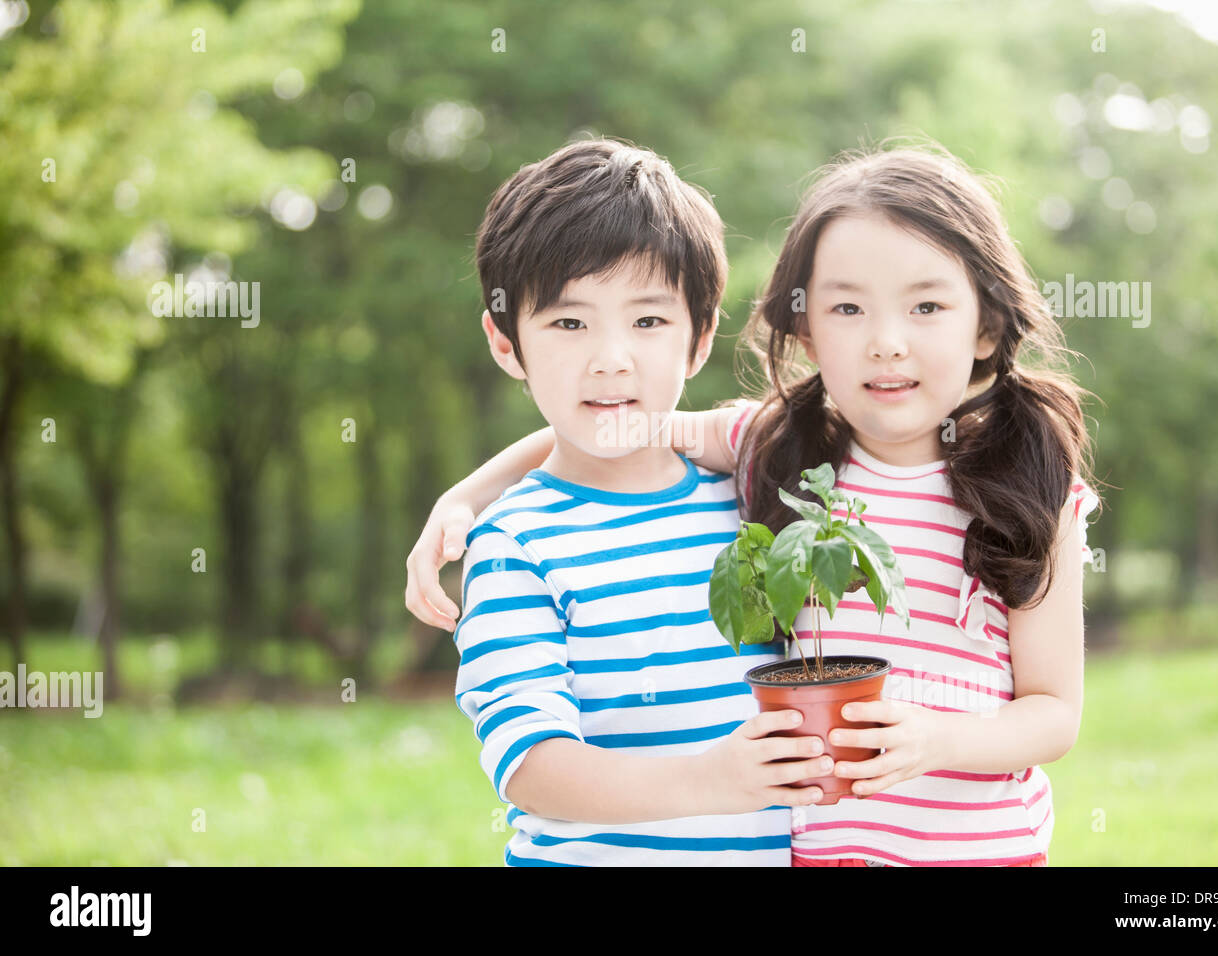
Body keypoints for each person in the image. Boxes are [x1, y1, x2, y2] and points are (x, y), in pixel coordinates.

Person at [410, 141, 1104, 867]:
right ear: (806, 328)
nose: (888, 344)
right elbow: (609, 434)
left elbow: (1055, 711)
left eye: (927, 305)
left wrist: (937, 740)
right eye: (848, 308)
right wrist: (467, 499)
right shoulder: (774, 455)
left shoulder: (1009, 489)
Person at [445, 137, 830, 866]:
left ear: (700, 338)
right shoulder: (513, 546)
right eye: (568, 322)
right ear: (504, 342)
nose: (611, 357)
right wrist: (713, 779)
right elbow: (533, 768)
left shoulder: (751, 501)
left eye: (648, 321)